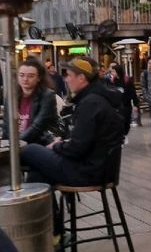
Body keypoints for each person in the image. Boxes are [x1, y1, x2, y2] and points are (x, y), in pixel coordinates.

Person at [20, 56, 125, 188]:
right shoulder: (97, 99)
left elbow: (77, 148)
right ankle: (44, 208)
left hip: (88, 171)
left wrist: (56, 146)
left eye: (69, 75)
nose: (66, 79)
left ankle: (30, 205)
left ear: (81, 78)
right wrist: (63, 144)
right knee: (38, 170)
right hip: (99, 167)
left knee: (29, 150)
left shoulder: (90, 103)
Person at [7, 57, 59, 145]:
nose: (25, 79)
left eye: (30, 76)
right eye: (21, 75)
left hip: (38, 143)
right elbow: (6, 124)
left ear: (39, 78)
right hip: (15, 144)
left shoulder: (47, 95)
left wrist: (15, 144)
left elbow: (37, 127)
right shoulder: (12, 95)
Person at [107, 63, 140, 145]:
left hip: (126, 105)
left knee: (126, 121)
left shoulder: (127, 81)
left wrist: (135, 104)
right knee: (117, 122)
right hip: (116, 106)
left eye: (114, 71)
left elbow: (133, 93)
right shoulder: (112, 81)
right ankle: (120, 137)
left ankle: (125, 134)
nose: (112, 73)